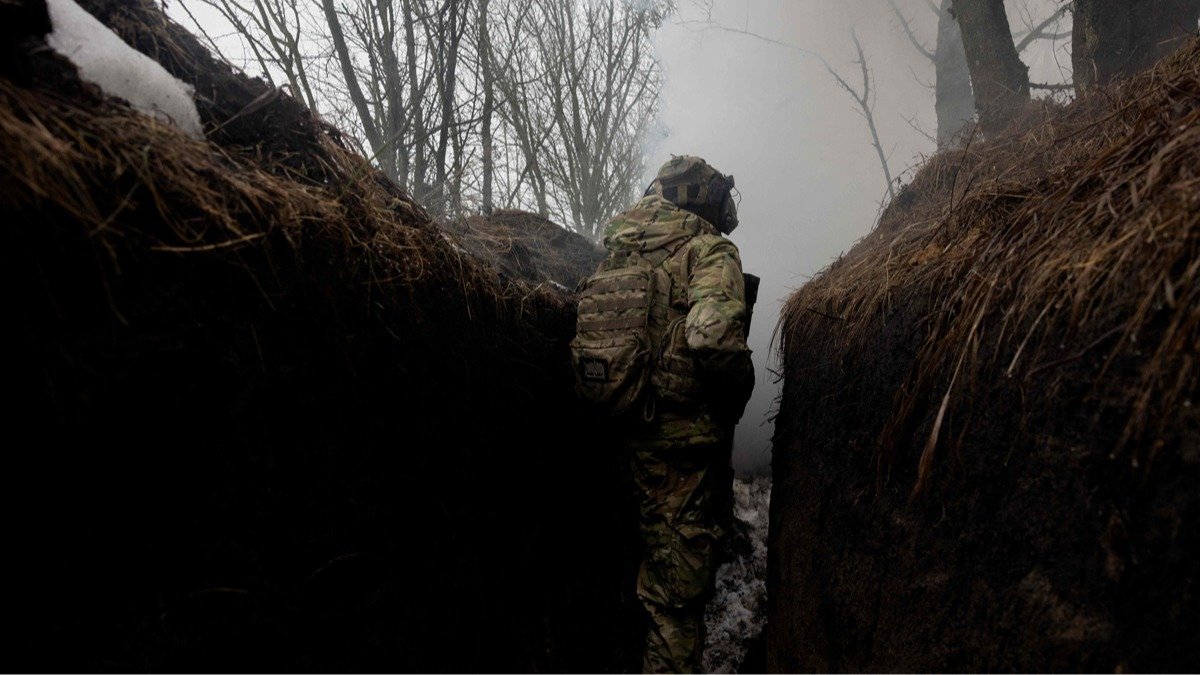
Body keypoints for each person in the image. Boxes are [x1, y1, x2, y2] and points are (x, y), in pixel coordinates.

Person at [575, 155, 754, 673]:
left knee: (621, 578)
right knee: (673, 606)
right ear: (704, 199)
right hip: (678, 460)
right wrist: (737, 393)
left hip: (613, 441)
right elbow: (713, 337)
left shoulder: (617, 255)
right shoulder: (709, 250)